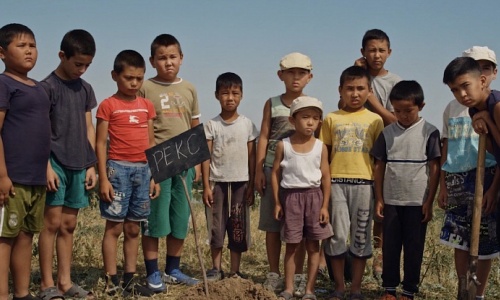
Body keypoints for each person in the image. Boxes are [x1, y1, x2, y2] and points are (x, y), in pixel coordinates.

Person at [37, 29, 97, 300]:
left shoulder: (86, 89)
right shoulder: (46, 88)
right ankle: (47, 284)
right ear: (62, 55)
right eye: (77, 64)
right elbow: (38, 132)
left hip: (80, 163)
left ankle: (65, 281)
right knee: (51, 223)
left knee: (69, 225)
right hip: (55, 163)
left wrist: (92, 164)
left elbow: (88, 127)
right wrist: (46, 166)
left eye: (87, 65)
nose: (82, 70)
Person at [139, 33, 201, 288]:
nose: (168, 62)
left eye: (173, 57)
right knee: (155, 219)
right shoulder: (145, 87)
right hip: (157, 160)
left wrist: (196, 163)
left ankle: (174, 268)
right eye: (162, 58)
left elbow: (195, 125)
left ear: (182, 58)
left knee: (180, 216)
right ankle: (153, 271)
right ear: (152, 61)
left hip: (184, 160)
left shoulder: (189, 88)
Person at [96, 50, 159, 297]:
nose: (134, 83)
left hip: (143, 170)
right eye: (129, 78)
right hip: (117, 169)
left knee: (134, 228)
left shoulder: (146, 107)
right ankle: (111, 279)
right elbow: (100, 143)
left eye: (139, 78)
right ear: (115, 76)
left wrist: (154, 176)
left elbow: (151, 142)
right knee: (114, 227)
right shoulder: (108, 106)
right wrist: (103, 177)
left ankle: (129, 278)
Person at [439, 46, 499, 300]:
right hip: (460, 179)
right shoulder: (475, 108)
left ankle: (478, 294)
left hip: (488, 177)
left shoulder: (495, 105)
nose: (461, 94)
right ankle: (466, 293)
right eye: (455, 89)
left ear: (484, 78)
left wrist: (493, 189)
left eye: (465, 85)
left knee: (486, 242)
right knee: (461, 240)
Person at [372, 80, 441, 300]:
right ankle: (389, 288)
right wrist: (380, 198)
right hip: (392, 200)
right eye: (397, 110)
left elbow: (434, 167)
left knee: (414, 248)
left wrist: (429, 201)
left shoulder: (430, 132)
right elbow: (379, 165)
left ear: (421, 106)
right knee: (390, 247)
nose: (403, 115)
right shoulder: (387, 133)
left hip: (416, 202)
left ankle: (409, 290)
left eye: (408, 110)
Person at [320, 66, 383, 300]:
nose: (355, 94)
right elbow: (324, 156)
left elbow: (379, 162)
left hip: (365, 185)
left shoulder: (375, 120)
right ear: (340, 90)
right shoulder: (331, 118)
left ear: (369, 91)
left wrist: (379, 195)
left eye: (360, 89)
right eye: (349, 89)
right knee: (335, 236)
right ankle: (339, 287)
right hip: (336, 183)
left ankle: (356, 289)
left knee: (361, 237)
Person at [0, 23, 51, 300]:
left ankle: (22, 293)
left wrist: (45, 168)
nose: (29, 51)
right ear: (2, 53)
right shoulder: (3, 83)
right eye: (21, 46)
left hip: (35, 178)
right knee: (5, 237)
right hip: (13, 177)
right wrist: (2, 175)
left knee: (25, 236)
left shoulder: (39, 88)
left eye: (32, 45)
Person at [255, 52, 312, 295]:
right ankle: (274, 274)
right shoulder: (272, 102)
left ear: (310, 77)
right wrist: (259, 169)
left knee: (297, 228)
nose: (296, 77)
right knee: (272, 225)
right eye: (291, 73)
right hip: (273, 169)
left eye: (301, 73)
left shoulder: (311, 105)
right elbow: (265, 136)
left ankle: (298, 276)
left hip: (300, 173)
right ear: (281, 75)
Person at [272, 96, 333, 300]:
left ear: (319, 122)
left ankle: (309, 290)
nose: (310, 122)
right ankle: (289, 288)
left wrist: (324, 206)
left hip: (314, 198)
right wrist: (278, 202)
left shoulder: (320, 147)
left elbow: (325, 176)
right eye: (305, 117)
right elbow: (275, 174)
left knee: (313, 245)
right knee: (291, 244)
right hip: (291, 198)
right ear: (292, 120)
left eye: (315, 118)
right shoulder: (284, 145)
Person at [354, 28, 401, 278]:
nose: (376, 55)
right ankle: (359, 252)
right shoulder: (357, 78)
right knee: (361, 205)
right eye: (371, 50)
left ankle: (379, 258)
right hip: (359, 147)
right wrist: (359, 76)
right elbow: (344, 105)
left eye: (382, 50)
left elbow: (395, 119)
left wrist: (371, 99)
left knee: (381, 207)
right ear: (362, 52)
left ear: (389, 52)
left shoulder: (395, 82)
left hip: (386, 149)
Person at [202, 72, 258, 281]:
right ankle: (216, 269)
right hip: (217, 182)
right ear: (217, 95)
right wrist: (207, 185)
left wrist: (251, 185)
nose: (230, 97)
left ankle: (235, 271)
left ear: (242, 95)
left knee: (237, 227)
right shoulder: (212, 125)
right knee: (216, 227)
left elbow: (252, 158)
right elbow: (206, 156)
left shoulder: (247, 125)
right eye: (225, 93)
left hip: (240, 183)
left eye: (235, 93)